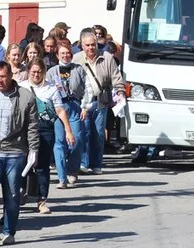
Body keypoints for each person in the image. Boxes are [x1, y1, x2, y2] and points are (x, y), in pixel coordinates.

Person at [0, 61, 39, 247]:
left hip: (15, 151)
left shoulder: (25, 96)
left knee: (11, 194)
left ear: (10, 75)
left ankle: (9, 231)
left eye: (3, 76)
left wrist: (33, 150)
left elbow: (32, 126)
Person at [21, 59, 72, 214]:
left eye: (39, 72)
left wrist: (68, 130)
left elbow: (60, 110)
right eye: (33, 72)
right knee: (22, 164)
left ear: (43, 71)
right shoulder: (21, 87)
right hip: (24, 131)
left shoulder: (51, 89)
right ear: (28, 71)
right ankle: (20, 193)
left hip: (45, 130)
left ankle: (42, 200)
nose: (36, 75)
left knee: (42, 166)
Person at [77, 30, 123, 174]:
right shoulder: (76, 59)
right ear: (82, 46)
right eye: (87, 45)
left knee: (98, 134)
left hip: (100, 101)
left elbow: (116, 76)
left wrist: (120, 91)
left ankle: (96, 164)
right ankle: (84, 163)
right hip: (83, 103)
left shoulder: (107, 57)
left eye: (93, 45)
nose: (91, 48)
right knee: (84, 132)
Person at [50, 40, 86, 187]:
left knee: (76, 140)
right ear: (57, 54)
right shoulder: (52, 71)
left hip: (74, 105)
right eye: (62, 53)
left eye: (67, 53)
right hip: (58, 106)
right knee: (59, 142)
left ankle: (73, 170)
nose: (65, 56)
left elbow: (87, 88)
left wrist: (85, 107)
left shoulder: (78, 69)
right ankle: (61, 177)